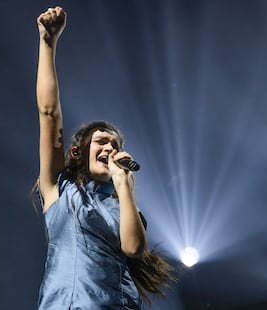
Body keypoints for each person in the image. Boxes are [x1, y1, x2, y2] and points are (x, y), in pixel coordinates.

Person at [34, 6, 173, 309]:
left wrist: (124, 185)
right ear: (78, 153)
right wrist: (48, 43)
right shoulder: (59, 191)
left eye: (114, 144)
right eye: (100, 141)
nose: (108, 147)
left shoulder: (125, 207)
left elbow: (133, 248)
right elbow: (48, 114)